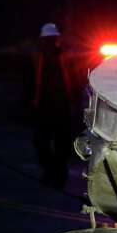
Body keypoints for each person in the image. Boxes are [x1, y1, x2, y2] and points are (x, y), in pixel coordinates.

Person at [31, 23, 73, 189]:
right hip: (47, 106)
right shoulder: (39, 58)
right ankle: (53, 173)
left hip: (58, 107)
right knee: (45, 142)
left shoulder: (63, 58)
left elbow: (74, 81)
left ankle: (56, 174)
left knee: (57, 143)